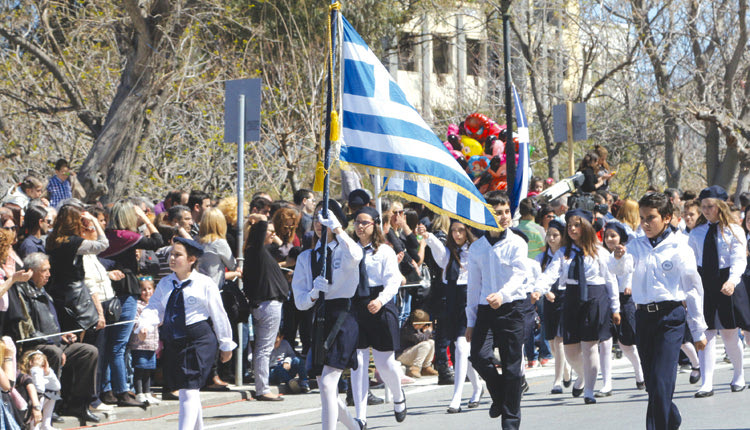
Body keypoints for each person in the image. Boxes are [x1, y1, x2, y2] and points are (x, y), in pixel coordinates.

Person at [611, 192, 707, 430]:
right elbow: (618, 270)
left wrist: (698, 330)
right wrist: (619, 257)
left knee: (663, 382)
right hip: (643, 316)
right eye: (642, 218)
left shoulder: (680, 246)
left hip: (670, 317)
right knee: (653, 384)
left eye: (651, 218)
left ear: (666, 218)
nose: (645, 223)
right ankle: (671, 418)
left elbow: (693, 289)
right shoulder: (636, 243)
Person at [134, 237, 235, 430]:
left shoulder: (204, 283)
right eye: (171, 254)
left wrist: (226, 343)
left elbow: (219, 315)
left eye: (178, 255)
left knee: (189, 388)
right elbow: (155, 308)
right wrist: (144, 324)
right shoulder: (165, 283)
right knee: (189, 390)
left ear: (192, 259)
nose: (172, 258)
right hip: (175, 340)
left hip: (199, 339)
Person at [291, 202, 363, 430]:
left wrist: (339, 230)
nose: (321, 224)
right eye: (317, 218)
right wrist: (313, 293)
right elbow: (300, 302)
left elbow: (357, 254)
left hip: (344, 316)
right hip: (319, 318)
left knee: (329, 382)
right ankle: (354, 425)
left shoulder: (346, 249)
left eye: (326, 218)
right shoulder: (306, 258)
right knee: (323, 383)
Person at [539, 209, 619, 404]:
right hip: (572, 297)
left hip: (595, 297)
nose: (573, 229)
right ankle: (583, 375)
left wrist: (615, 307)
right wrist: (540, 288)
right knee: (570, 351)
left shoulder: (599, 251)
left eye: (577, 225)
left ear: (586, 226)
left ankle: (589, 391)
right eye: (570, 226)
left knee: (590, 346)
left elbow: (610, 280)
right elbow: (550, 273)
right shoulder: (564, 253)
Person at [15, 252, 100, 425]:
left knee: (89, 352)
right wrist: (52, 341)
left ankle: (78, 404)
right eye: (44, 270)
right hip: (37, 345)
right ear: (31, 271)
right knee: (52, 352)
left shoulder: (44, 291)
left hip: (53, 341)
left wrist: (61, 336)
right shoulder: (23, 292)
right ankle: (47, 408)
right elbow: (29, 330)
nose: (49, 274)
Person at [466, 191, 527, 429]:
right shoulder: (477, 248)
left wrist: (502, 295)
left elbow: (520, 275)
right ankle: (501, 395)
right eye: (497, 213)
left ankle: (510, 422)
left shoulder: (516, 242)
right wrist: (470, 321)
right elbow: (473, 286)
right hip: (485, 309)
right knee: (479, 357)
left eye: (506, 212)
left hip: (511, 308)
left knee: (512, 367)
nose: (504, 217)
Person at [98, 200, 163, 407]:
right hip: (125, 291)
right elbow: (157, 241)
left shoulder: (105, 237)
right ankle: (122, 391)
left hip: (108, 292)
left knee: (109, 344)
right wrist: (145, 219)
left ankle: (107, 390)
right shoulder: (127, 237)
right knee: (119, 345)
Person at [688, 185, 750, 397]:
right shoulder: (696, 233)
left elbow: (739, 259)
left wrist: (732, 281)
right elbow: (691, 262)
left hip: (728, 282)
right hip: (705, 282)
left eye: (710, 207)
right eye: (703, 207)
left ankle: (739, 375)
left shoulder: (734, 230)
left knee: (730, 333)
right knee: (706, 333)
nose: (706, 210)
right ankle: (707, 383)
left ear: (721, 207)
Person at [350, 206, 407, 426]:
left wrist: (380, 300)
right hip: (357, 304)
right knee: (359, 363)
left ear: (374, 225)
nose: (360, 226)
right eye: (357, 222)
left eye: (365, 222)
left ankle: (398, 394)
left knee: (385, 364)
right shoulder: (350, 250)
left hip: (380, 303)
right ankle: (361, 416)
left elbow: (393, 280)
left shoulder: (384, 251)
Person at [423, 220, 482, 413]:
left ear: (468, 232)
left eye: (461, 231)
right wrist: (428, 237)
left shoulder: (474, 251)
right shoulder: (449, 253)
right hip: (451, 302)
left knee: (462, 348)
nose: (457, 235)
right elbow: (439, 252)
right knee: (460, 348)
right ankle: (477, 386)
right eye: (454, 231)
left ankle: (457, 397)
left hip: (470, 301)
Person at [243, 214, 289, 401]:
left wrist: (271, 232)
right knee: (264, 349)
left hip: (267, 304)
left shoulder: (261, 252)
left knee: (263, 348)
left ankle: (262, 385)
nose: (272, 234)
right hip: (267, 304)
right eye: (269, 231)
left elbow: (284, 250)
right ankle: (263, 388)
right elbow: (261, 229)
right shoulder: (255, 251)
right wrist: (259, 219)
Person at [601, 222, 645, 395]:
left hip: (625, 299)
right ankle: (607, 383)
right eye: (607, 236)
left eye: (613, 236)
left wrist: (628, 285)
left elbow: (630, 270)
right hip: (606, 300)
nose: (610, 239)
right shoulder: (602, 254)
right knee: (609, 343)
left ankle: (640, 372)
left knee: (629, 341)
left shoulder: (627, 252)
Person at [537, 220, 571, 394]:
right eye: (549, 235)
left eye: (555, 235)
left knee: (559, 341)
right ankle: (565, 371)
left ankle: (557, 380)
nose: (551, 238)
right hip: (548, 301)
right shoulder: (541, 257)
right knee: (551, 342)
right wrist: (545, 292)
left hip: (564, 299)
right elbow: (537, 277)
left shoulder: (568, 255)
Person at [129, 276, 161, 405]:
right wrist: (140, 329)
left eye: (149, 289)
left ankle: (147, 392)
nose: (147, 292)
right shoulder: (138, 306)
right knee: (139, 369)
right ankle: (139, 392)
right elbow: (135, 323)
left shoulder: (154, 305)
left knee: (148, 369)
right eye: (143, 289)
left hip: (152, 344)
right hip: (139, 344)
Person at [197, 207, 241, 289]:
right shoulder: (219, 243)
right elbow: (233, 266)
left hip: (198, 287)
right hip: (214, 288)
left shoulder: (195, 240)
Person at [21, 350, 59, 430]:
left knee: (53, 394)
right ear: (31, 363)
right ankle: (34, 427)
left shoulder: (40, 372)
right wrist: (35, 368)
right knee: (40, 397)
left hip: (34, 404)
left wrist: (48, 373)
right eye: (39, 365)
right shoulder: (30, 374)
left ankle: (46, 424)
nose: (41, 368)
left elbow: (57, 387)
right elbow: (40, 389)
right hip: (27, 406)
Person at [396, 309, 437, 379]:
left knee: (431, 342)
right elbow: (420, 339)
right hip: (401, 355)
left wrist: (425, 332)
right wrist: (428, 331)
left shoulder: (415, 328)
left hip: (410, 351)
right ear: (416, 324)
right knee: (425, 345)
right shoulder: (407, 329)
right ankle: (415, 368)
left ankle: (426, 367)